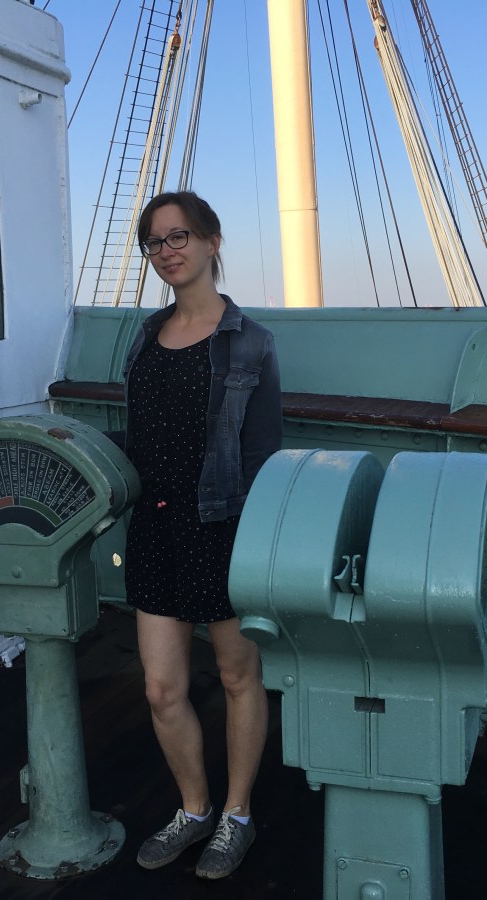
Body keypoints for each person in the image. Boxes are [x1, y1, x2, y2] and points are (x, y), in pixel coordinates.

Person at [115, 190, 282, 880]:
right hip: (155, 527)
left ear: (212, 241)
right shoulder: (146, 336)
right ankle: (194, 809)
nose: (167, 251)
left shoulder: (251, 343)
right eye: (155, 242)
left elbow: (263, 455)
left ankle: (237, 815)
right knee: (162, 689)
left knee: (239, 676)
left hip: (223, 528)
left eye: (179, 236)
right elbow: (143, 434)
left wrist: (258, 547)